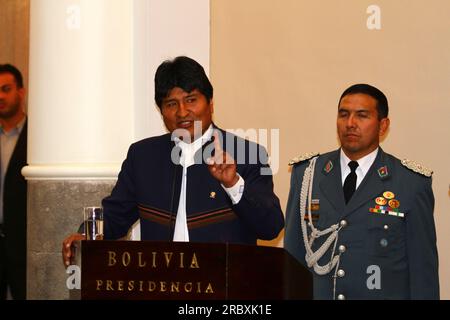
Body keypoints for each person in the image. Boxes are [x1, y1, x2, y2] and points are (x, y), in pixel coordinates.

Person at [63, 56, 284, 266]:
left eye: (191, 100)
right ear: (161, 111)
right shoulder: (143, 157)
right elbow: (115, 217)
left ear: (210, 102)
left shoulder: (248, 154)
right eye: (171, 104)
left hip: (224, 289)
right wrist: (84, 235)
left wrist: (233, 183)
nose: (182, 112)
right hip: (160, 287)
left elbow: (270, 227)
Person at [284, 83, 439, 300]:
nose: (350, 123)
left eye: (362, 116)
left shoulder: (410, 183)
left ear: (383, 126)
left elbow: (423, 274)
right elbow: (293, 260)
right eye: (343, 114)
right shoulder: (308, 174)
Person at [0, 64, 28, 300]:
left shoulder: (36, 138)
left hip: (23, 246)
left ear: (21, 92)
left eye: (6, 89)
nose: (0, 96)